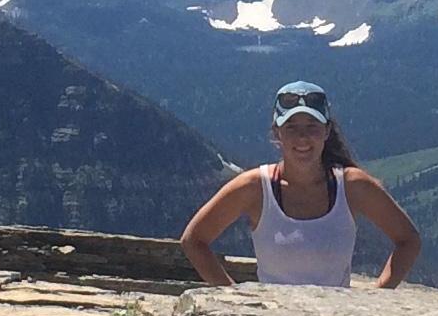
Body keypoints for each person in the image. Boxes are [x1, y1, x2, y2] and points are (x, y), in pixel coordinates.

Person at [178, 79, 423, 290]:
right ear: (277, 133)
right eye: (292, 127)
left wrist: (380, 294)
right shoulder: (254, 187)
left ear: (327, 132)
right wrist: (233, 297)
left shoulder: (352, 186)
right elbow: (194, 240)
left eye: (312, 127)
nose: (302, 137)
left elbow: (408, 239)